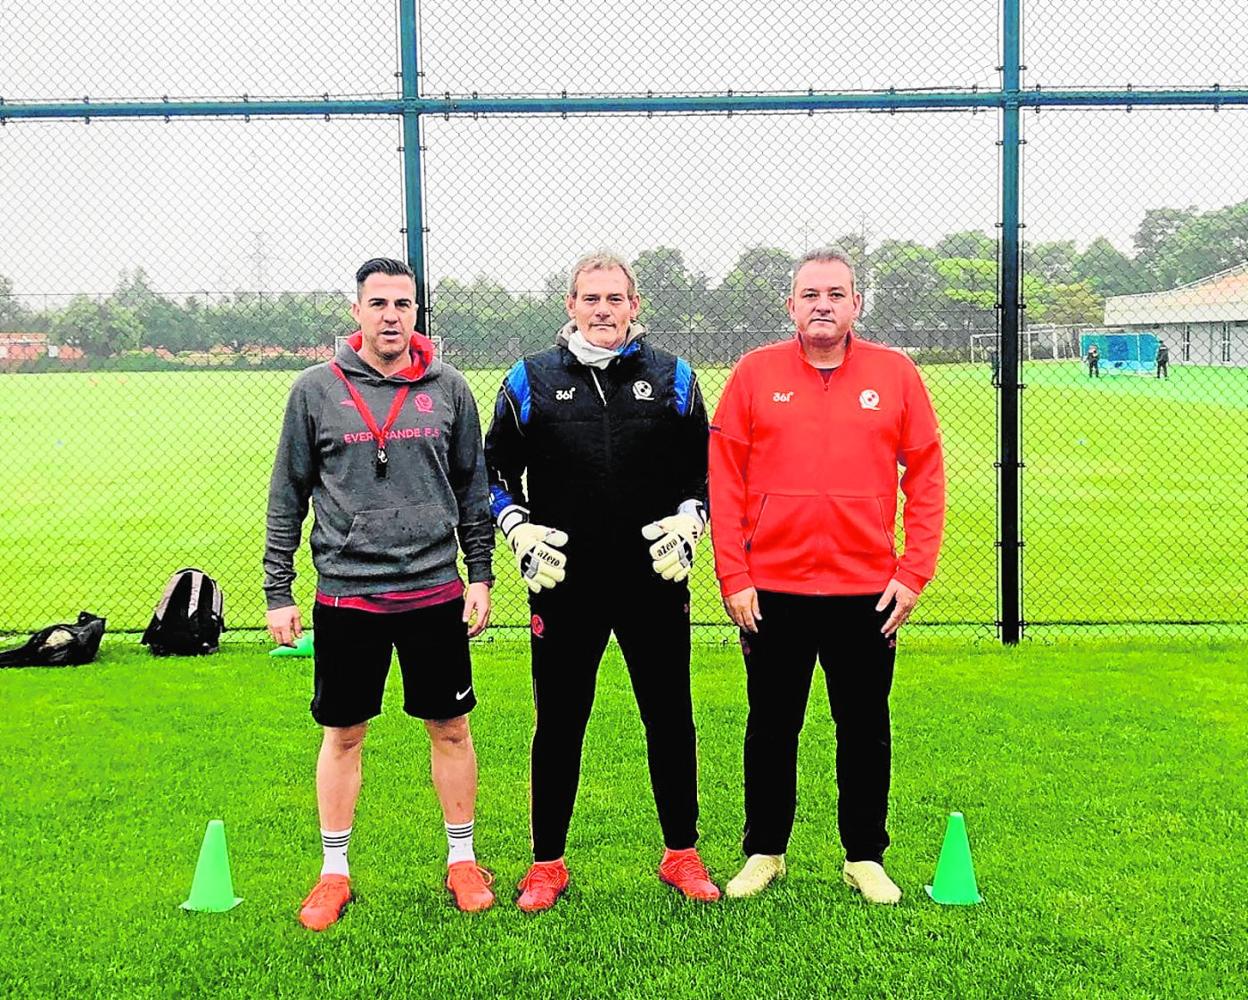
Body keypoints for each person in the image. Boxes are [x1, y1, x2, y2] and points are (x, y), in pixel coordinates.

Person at [708, 247, 946, 905]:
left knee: (865, 727)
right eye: (810, 293)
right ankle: (765, 852)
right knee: (771, 726)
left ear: (855, 305)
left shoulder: (894, 374)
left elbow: (925, 474)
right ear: (791, 305)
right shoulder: (756, 374)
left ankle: (864, 855)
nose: (822, 304)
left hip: (867, 592)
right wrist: (734, 575)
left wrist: (913, 572)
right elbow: (724, 480)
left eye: (835, 293)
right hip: (773, 589)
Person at [264, 257, 496, 928]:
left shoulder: (449, 388)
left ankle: (462, 859)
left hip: (432, 592)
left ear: (416, 312)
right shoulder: (316, 390)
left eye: (403, 303)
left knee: (450, 728)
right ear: (357, 312)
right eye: (379, 303)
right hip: (346, 594)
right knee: (343, 734)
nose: (392, 315)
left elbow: (472, 491)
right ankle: (333, 873)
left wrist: (478, 574)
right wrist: (279, 590)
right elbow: (287, 496)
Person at [484, 251, 718, 912]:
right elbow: (491, 470)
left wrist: (692, 517)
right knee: (558, 722)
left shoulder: (674, 377)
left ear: (634, 305)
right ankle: (546, 865)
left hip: (654, 579)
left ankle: (682, 854)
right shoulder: (529, 380)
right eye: (591, 298)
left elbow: (709, 470)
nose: (603, 310)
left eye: (615, 298)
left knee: (669, 717)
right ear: (571, 305)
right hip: (563, 582)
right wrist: (517, 527)